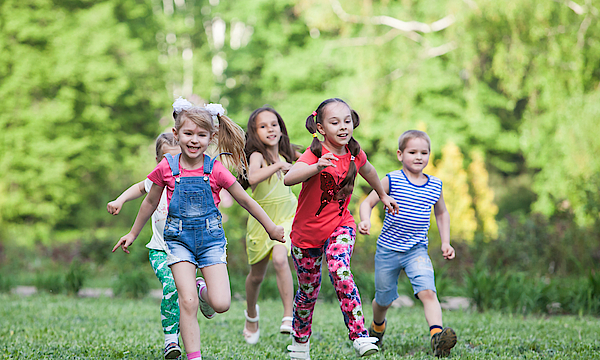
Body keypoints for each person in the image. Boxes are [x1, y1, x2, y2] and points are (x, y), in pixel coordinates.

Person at [113, 98, 285, 360]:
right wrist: (133, 233)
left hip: (210, 243)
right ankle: (194, 355)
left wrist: (271, 227)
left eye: (201, 135)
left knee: (221, 304)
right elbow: (149, 201)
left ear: (211, 137)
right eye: (188, 133)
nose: (194, 140)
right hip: (178, 241)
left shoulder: (215, 169)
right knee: (187, 302)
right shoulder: (166, 168)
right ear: (176, 134)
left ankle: (202, 290)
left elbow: (245, 199)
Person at [283, 98, 399, 359]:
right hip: (305, 236)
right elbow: (289, 178)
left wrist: (381, 194)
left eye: (347, 121)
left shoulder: (354, 153)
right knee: (307, 292)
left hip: (340, 225)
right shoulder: (315, 152)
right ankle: (300, 342)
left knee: (339, 268)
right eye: (335, 122)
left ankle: (359, 336)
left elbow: (368, 171)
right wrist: (316, 167)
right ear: (321, 128)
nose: (343, 127)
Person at [358, 130, 457, 357]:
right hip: (387, 250)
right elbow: (368, 202)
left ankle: (437, 338)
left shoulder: (435, 185)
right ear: (400, 154)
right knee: (383, 300)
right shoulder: (391, 179)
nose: (419, 156)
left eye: (424, 152)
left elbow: (442, 214)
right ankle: (377, 328)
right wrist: (365, 220)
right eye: (413, 152)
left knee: (428, 292)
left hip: (416, 251)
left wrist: (446, 242)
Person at [107, 133, 183, 360]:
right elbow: (140, 190)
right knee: (172, 287)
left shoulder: (189, 179)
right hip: (159, 250)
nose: (170, 163)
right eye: (165, 159)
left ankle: (202, 295)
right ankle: (171, 341)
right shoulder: (158, 178)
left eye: (176, 158)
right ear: (158, 160)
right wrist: (120, 200)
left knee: (186, 294)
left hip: (186, 251)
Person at [241, 107, 301, 344]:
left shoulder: (289, 153)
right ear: (255, 132)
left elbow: (312, 160)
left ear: (281, 126)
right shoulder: (258, 156)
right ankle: (251, 314)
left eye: (274, 124)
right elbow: (252, 177)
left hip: (287, 217)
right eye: (263, 126)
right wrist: (277, 166)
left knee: (280, 259)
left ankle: (289, 315)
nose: (270, 129)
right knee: (256, 277)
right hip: (261, 222)